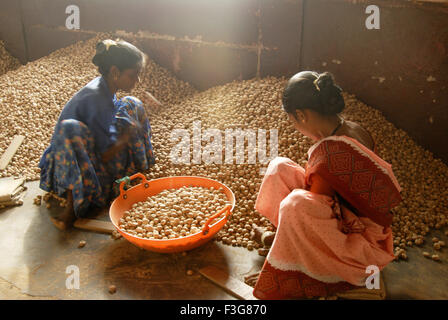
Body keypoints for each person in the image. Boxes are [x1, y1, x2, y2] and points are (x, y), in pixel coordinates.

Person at [248, 71, 402, 299]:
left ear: (300, 115)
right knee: (279, 167)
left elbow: (306, 212)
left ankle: (299, 259)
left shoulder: (331, 154)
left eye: (293, 121)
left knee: (295, 205)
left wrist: (277, 263)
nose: (296, 128)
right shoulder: (352, 129)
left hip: (361, 250)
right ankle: (283, 240)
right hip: (348, 217)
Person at [39, 39, 161, 230]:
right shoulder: (96, 99)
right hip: (72, 164)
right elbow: (105, 154)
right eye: (133, 75)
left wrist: (131, 126)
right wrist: (128, 135)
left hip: (98, 144)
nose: (137, 81)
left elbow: (108, 125)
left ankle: (142, 169)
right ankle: (72, 209)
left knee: (132, 103)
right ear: (115, 72)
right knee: (70, 128)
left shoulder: (106, 86)